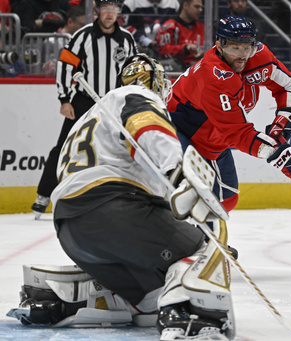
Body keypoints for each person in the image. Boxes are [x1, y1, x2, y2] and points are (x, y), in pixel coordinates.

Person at [8, 54, 235, 340]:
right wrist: (179, 173)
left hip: (70, 229)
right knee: (204, 253)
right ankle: (193, 318)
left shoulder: (89, 118)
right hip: (115, 209)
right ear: (153, 80)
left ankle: (90, 299)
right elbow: (147, 127)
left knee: (153, 294)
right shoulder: (136, 94)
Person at [167, 15, 291, 214]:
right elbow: (237, 133)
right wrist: (280, 155)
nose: (242, 55)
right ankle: (182, 240)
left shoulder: (258, 56)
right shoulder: (214, 76)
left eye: (247, 47)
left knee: (226, 199)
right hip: (181, 130)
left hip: (215, 134)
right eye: (234, 48)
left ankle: (199, 239)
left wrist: (284, 121)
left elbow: (287, 85)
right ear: (219, 46)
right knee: (185, 193)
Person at [30, 0, 138, 219]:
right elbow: (65, 65)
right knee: (64, 147)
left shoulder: (126, 39)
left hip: (114, 103)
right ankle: (43, 195)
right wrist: (64, 99)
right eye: (105, 8)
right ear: (97, 10)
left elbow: (134, 70)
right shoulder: (83, 36)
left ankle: (128, 195)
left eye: (114, 9)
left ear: (119, 11)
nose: (110, 13)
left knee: (123, 149)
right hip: (84, 101)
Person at [155, 0, 204, 71]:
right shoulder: (169, 27)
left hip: (199, 68)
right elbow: (164, 52)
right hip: (177, 71)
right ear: (185, 5)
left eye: (201, 7)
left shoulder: (203, 27)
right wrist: (184, 48)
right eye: (196, 6)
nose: (200, 10)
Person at [41, 5, 87, 76]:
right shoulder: (51, 42)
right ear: (70, 22)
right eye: (82, 25)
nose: (85, 28)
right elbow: (51, 70)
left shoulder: (86, 39)